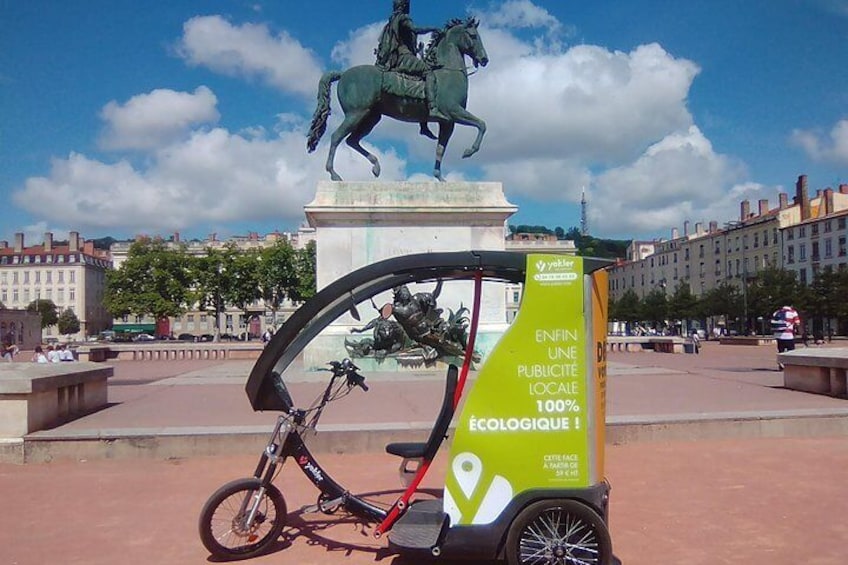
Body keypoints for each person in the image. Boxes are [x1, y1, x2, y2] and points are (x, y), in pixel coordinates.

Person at [375, 0, 442, 137]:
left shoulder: (392, 20)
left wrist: (418, 50)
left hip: (400, 56)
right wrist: (433, 28)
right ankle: (433, 108)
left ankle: (423, 125)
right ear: (405, 5)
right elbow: (416, 29)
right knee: (429, 73)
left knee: (419, 81)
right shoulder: (403, 18)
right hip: (404, 57)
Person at [771, 305, 800, 370]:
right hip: (788, 335)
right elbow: (797, 323)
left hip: (778, 335)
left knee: (781, 350)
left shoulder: (776, 312)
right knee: (791, 351)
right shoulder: (793, 312)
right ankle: (790, 366)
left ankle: (781, 364)